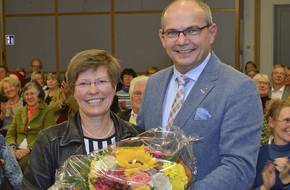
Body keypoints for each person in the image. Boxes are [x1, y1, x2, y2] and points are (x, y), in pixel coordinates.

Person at [138, 0, 263, 189]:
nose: (182, 41)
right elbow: (141, 143)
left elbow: (239, 168)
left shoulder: (239, 87)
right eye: (172, 32)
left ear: (211, 33)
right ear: (162, 37)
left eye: (192, 30)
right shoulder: (154, 83)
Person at [23, 49, 144, 189]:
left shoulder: (137, 138)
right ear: (73, 91)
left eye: (101, 81)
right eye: (84, 83)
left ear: (114, 86)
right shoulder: (49, 142)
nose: (93, 90)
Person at [5, 81, 48, 171]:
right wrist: (12, 147)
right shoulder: (20, 111)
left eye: (32, 94)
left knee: (17, 167)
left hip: (36, 150)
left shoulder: (47, 111)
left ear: (39, 95)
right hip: (16, 149)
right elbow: (10, 134)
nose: (29, 97)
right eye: (26, 94)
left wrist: (28, 150)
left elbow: (46, 135)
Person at [252, 99, 290, 190]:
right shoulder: (259, 154)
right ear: (271, 122)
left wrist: (287, 181)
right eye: (287, 120)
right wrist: (265, 187)